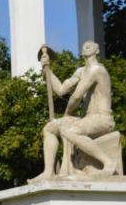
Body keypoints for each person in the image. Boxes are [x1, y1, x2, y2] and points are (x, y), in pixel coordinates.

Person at [28, 40, 116, 182]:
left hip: (102, 119)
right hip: (87, 119)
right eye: (84, 45)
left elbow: (76, 97)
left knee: (69, 130)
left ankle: (108, 162)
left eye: (90, 45)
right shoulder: (81, 71)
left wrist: (66, 115)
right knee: (50, 128)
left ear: (97, 50)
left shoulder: (97, 70)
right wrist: (48, 70)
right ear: (81, 53)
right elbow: (61, 90)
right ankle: (48, 172)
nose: (86, 45)